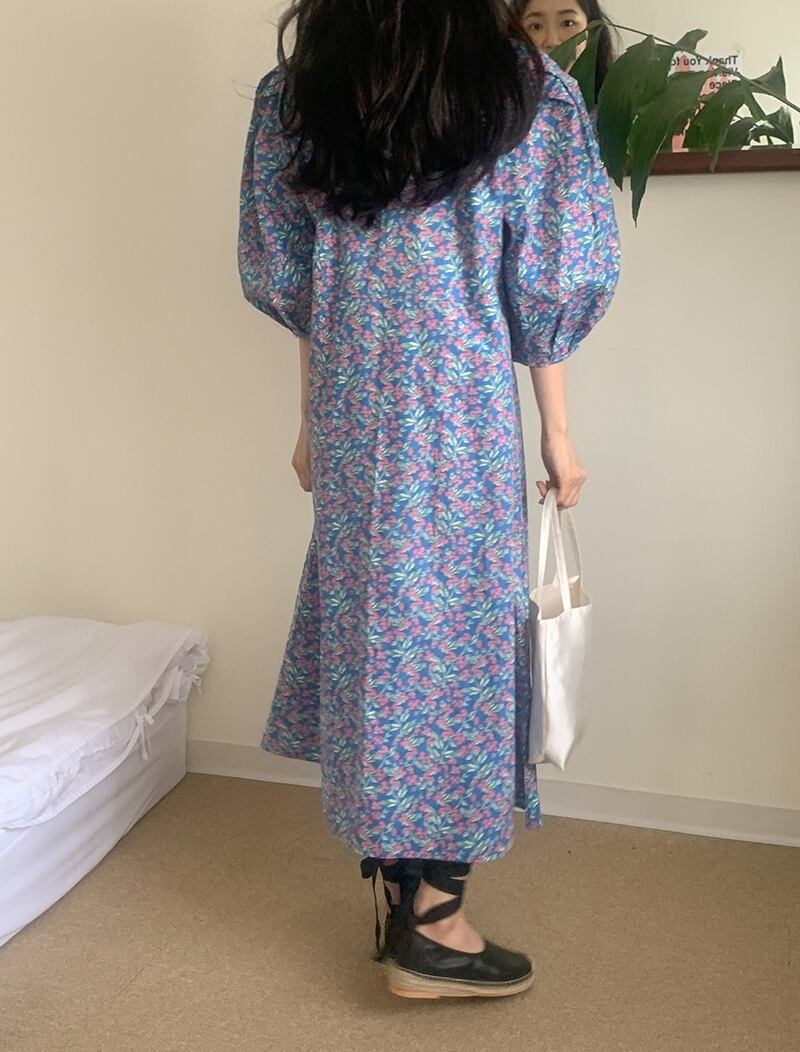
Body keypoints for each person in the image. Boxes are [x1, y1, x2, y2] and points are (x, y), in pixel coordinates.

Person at [238, 0, 620, 1000]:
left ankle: (401, 895)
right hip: (458, 415)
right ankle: (435, 924)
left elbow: (297, 284)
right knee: (454, 648)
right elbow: (549, 281)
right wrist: (559, 432)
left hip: (355, 412)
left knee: (381, 639)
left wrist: (312, 418)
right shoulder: (523, 90)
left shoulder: (300, 96)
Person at [513, 0, 616, 95]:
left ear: (593, 31)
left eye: (567, 23)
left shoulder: (618, 97)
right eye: (536, 26)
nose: (552, 41)